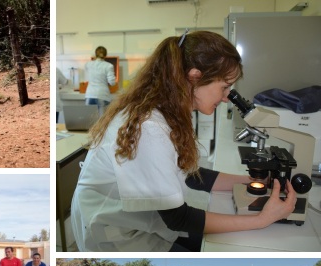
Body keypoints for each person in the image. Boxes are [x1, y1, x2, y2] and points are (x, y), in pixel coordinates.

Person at [71, 31, 296, 252]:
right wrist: (262, 220)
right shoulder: (149, 127)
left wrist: (251, 180)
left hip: (139, 218)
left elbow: (186, 172)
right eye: (225, 86)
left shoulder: (168, 109)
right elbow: (178, 219)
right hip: (115, 232)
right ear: (195, 76)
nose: (227, 97)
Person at [84, 46, 116, 117]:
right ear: (105, 55)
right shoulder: (109, 66)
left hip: (90, 95)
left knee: (89, 121)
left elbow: (86, 79)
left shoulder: (88, 64)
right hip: (102, 95)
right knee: (102, 122)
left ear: (95, 54)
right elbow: (112, 83)